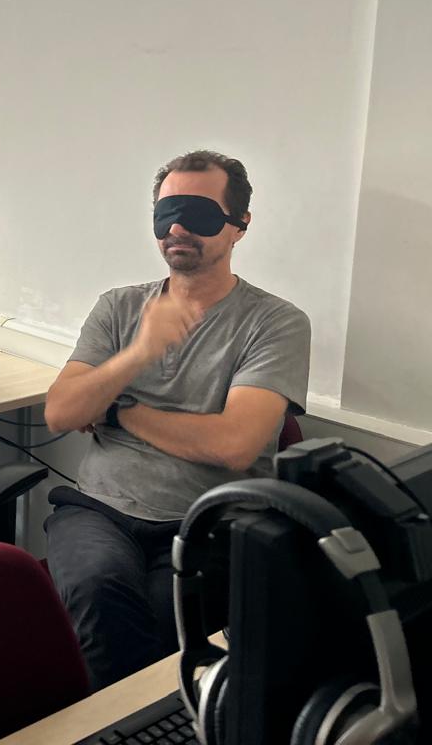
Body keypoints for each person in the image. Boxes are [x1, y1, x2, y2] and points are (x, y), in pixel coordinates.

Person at [42, 149, 310, 689]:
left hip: (206, 521)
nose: (178, 228)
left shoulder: (275, 323)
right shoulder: (118, 307)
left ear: (240, 226)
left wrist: (118, 410)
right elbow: (61, 412)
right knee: (98, 590)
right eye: (167, 214)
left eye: (199, 214)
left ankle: (138, 717)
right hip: (99, 509)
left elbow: (234, 445)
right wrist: (140, 352)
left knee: (167, 620)